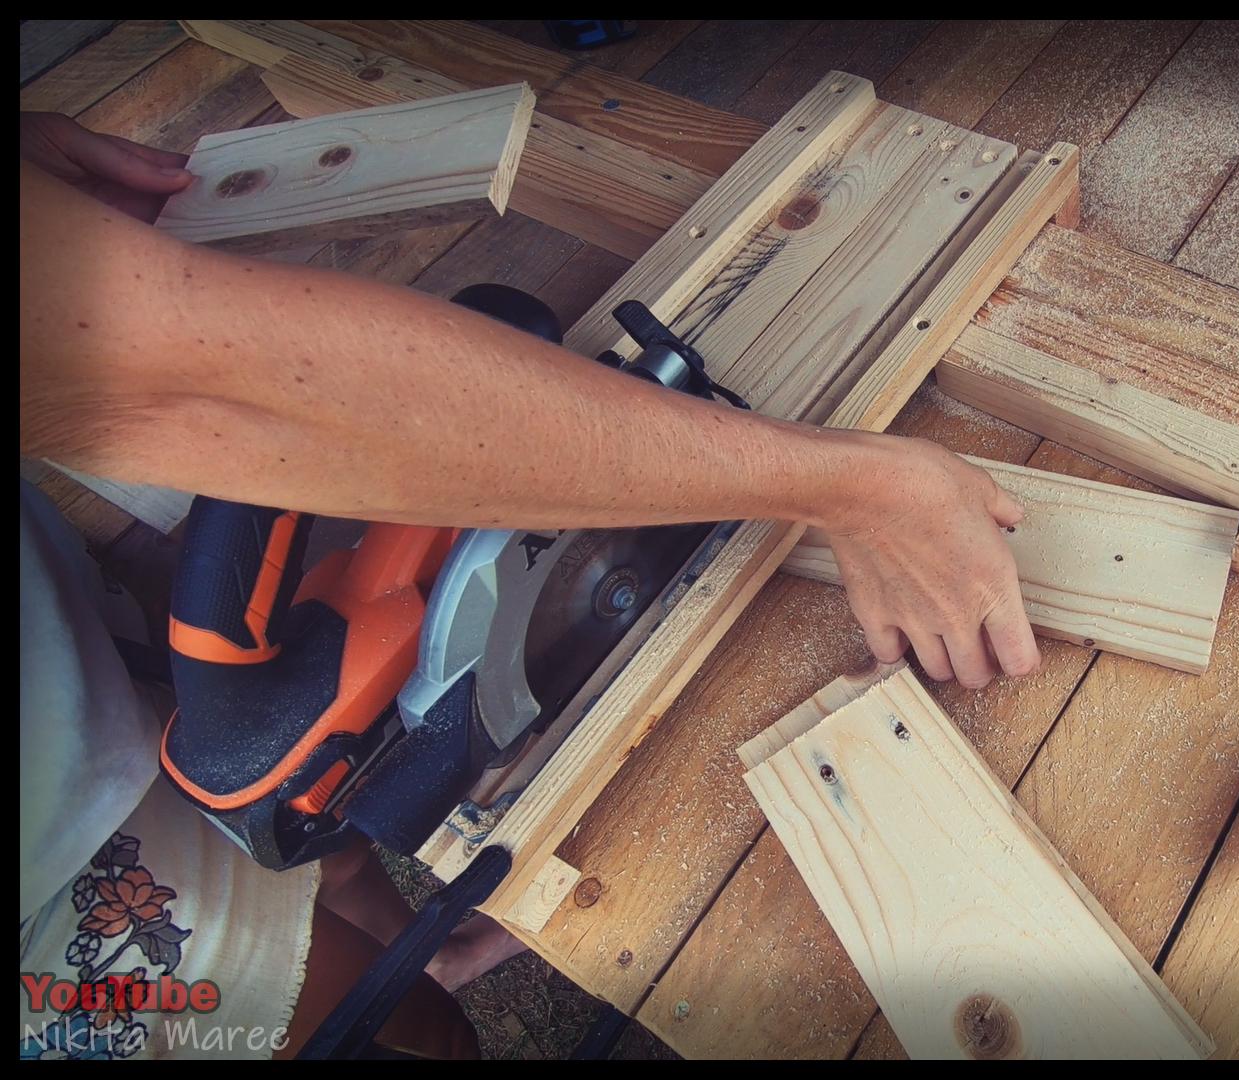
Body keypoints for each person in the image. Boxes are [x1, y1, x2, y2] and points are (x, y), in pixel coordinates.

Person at [18, 111, 1041, 1059]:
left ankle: (438, 948)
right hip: (42, 902)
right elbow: (251, 392)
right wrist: (852, 488)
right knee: (370, 1021)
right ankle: (438, 1010)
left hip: (66, 700)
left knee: (283, 817)